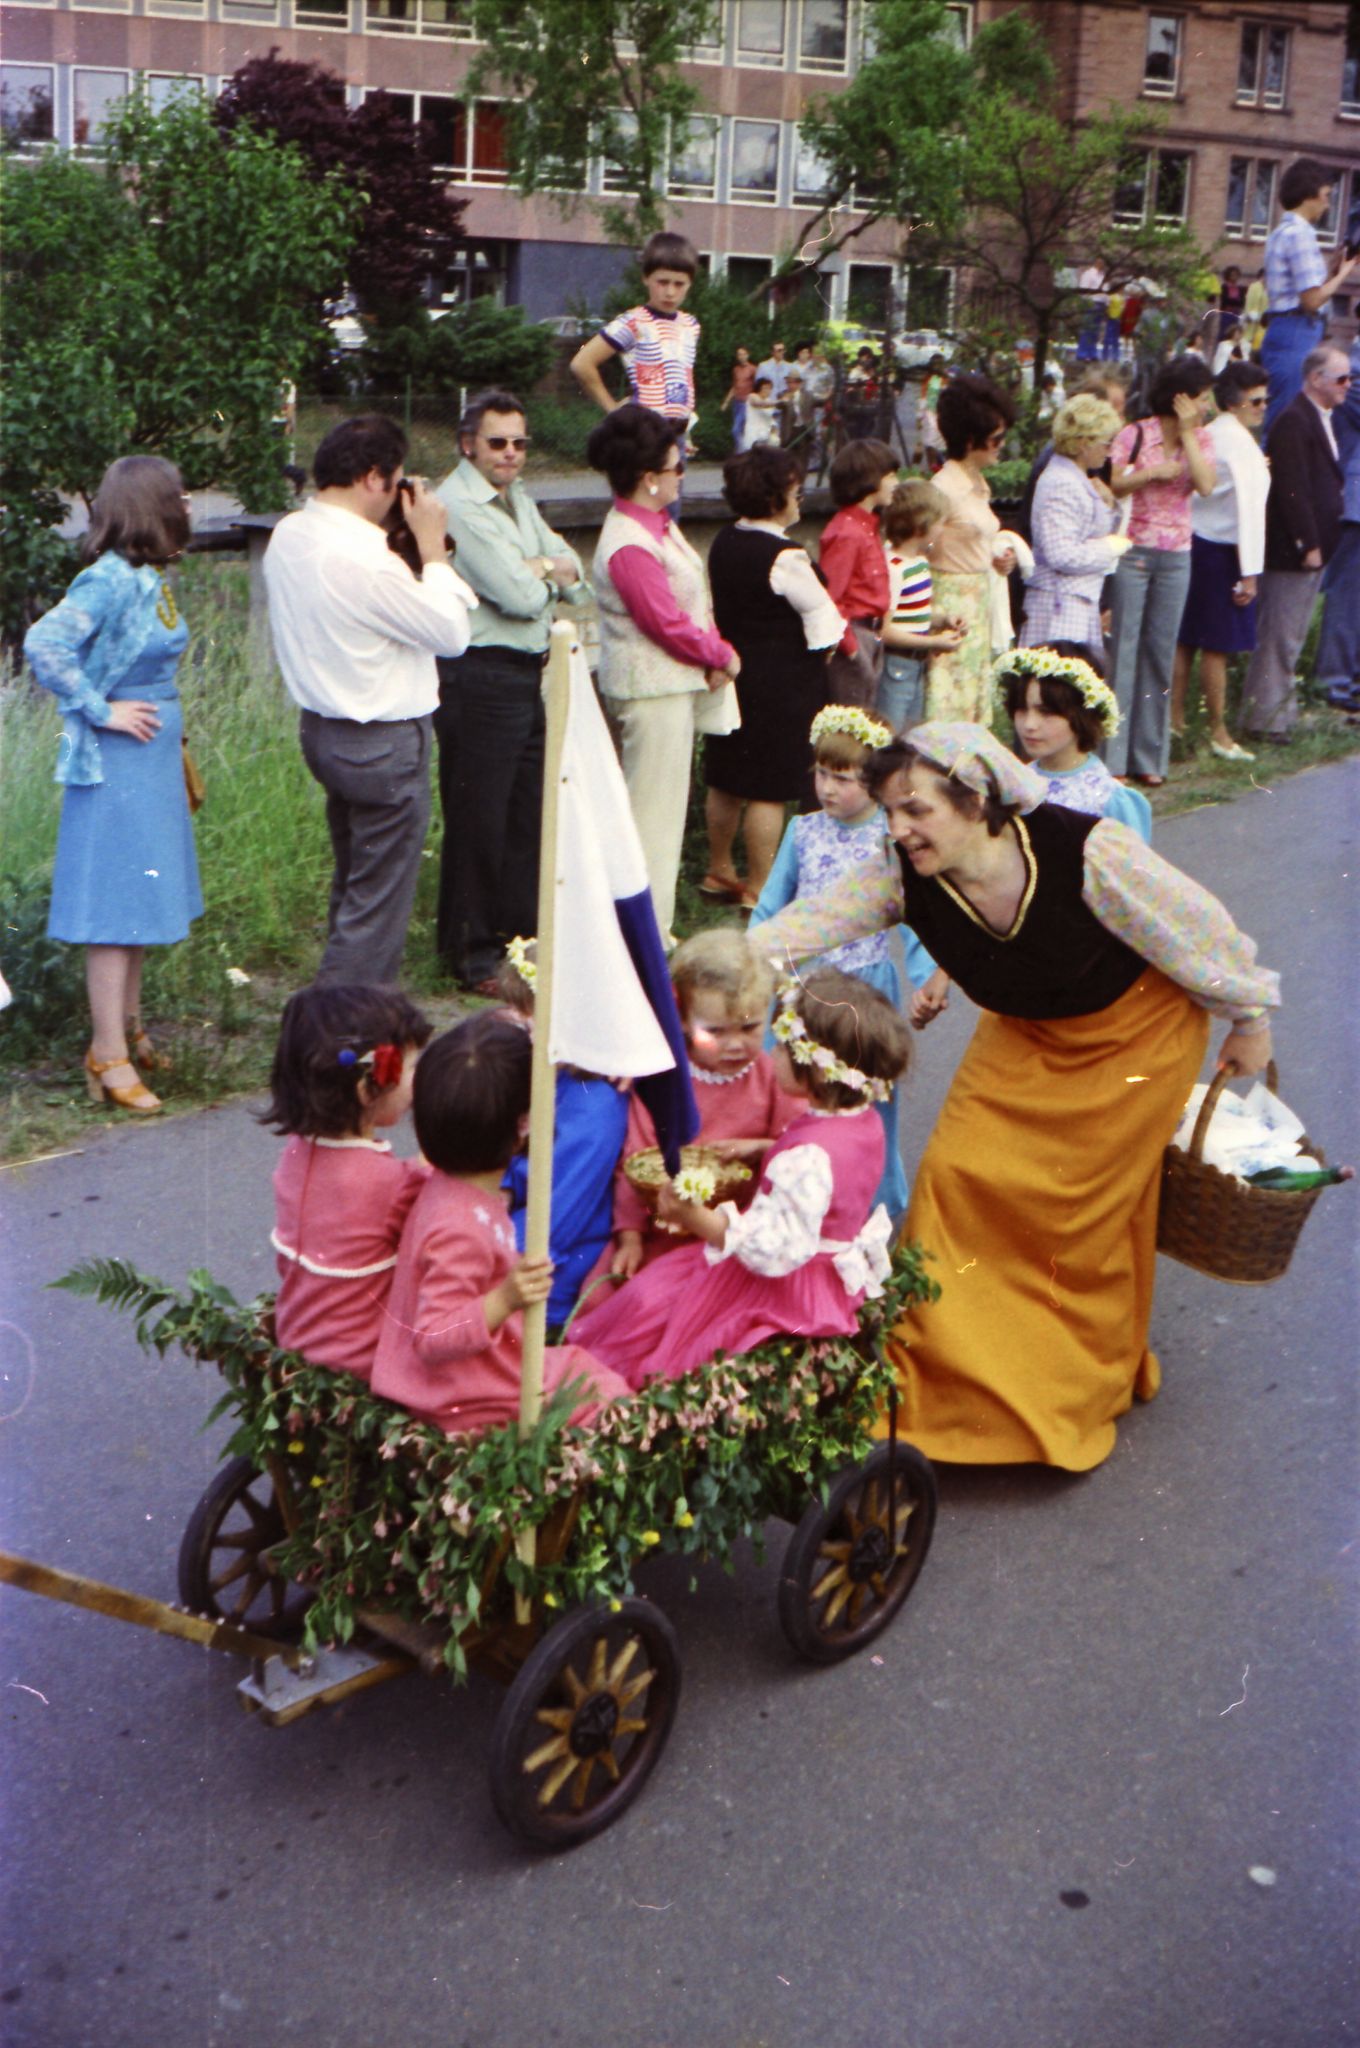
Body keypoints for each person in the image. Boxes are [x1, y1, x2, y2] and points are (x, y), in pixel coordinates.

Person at [749, 721, 1280, 1472]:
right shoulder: (902, 874)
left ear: (978, 801)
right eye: (889, 811)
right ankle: (943, 1381)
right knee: (957, 1177)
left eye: (915, 810)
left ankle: (1059, 1392)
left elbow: (1195, 929)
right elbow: (808, 922)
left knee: (1074, 1217)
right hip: (1029, 1034)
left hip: (1134, 1038)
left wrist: (1250, 1018)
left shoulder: (1087, 851)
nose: (897, 829)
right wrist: (715, 964)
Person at [572, 969, 909, 1388]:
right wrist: (763, 1148)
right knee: (657, 1291)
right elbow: (831, 1180)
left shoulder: (807, 1158)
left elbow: (772, 1251)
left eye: (784, 1048)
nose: (774, 1055)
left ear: (815, 1071)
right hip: (821, 1269)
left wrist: (695, 1218)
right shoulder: (863, 1121)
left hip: (782, 1282)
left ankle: (615, 1387)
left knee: (656, 1305)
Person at [263, 414, 476, 986]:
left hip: (325, 733)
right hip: (381, 742)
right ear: (376, 479)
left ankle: (348, 1014)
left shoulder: (291, 533)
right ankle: (343, 1032)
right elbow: (452, 634)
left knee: (357, 886)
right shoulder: (366, 559)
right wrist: (432, 550)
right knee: (377, 908)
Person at [25, 456, 203, 1114]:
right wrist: (103, 711)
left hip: (149, 755)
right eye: (179, 495)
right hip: (115, 758)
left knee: (140, 901)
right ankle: (107, 1051)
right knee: (114, 908)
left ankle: (129, 1030)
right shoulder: (106, 579)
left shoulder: (146, 575)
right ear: (153, 505)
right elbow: (46, 644)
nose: (188, 502)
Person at [371, 1013, 630, 1437]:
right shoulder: (461, 1226)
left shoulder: (444, 1186)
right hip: (465, 1394)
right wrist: (505, 1299)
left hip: (455, 1375)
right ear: (524, 1125)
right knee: (609, 1396)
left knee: (579, 1364)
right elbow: (434, 1335)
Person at [751, 704, 934, 1226]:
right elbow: (771, 905)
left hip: (863, 987)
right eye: (822, 773)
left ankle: (871, 1204)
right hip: (801, 986)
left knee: (863, 1099)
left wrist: (926, 979)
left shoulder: (889, 836)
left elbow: (913, 917)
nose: (828, 788)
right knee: (792, 1088)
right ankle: (788, 1198)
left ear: (873, 782)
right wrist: (751, 961)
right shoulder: (803, 831)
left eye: (844, 778)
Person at [432, 388, 588, 993]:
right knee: (480, 818)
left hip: (527, 672)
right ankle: (470, 958)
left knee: (526, 815)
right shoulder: (460, 506)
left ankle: (517, 948)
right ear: (468, 444)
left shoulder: (516, 496)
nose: (511, 454)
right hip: (480, 674)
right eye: (497, 442)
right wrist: (545, 569)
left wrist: (541, 567)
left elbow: (574, 570)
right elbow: (522, 595)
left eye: (521, 443)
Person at [587, 405, 738, 941]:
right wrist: (719, 655)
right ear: (649, 479)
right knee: (651, 820)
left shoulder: (653, 527)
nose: (683, 474)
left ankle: (651, 930)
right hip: (649, 695)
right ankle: (644, 937)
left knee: (663, 816)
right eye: (677, 467)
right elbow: (664, 622)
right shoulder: (630, 542)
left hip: (666, 689)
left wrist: (711, 651)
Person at [265, 982, 432, 1378]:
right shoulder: (391, 1181)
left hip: (301, 1343)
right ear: (367, 1087)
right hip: (363, 1361)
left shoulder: (296, 1152)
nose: (419, 1077)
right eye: (410, 1067)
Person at [700, 446, 844, 905]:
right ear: (775, 497)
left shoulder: (724, 541)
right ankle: (760, 886)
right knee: (769, 788)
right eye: (794, 491)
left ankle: (719, 869)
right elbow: (824, 619)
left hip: (735, 675)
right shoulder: (786, 556)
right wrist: (824, 655)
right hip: (783, 683)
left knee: (727, 776)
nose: (799, 498)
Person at [609, 931, 797, 1278]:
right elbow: (633, 1165)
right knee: (615, 1297)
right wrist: (630, 1238)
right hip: (663, 1228)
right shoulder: (664, 1081)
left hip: (736, 1233)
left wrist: (762, 1148)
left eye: (749, 1028)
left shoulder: (774, 1079)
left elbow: (799, 1153)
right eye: (715, 1032)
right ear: (681, 1019)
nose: (735, 1045)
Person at [492, 943, 630, 1336]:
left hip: (550, 1273)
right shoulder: (543, 1069)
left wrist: (483, 1256)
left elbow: (555, 1219)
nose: (517, 1023)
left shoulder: (595, 1106)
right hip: (511, 1227)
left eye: (527, 1014)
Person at [1106, 359, 1217, 784]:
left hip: (1177, 555)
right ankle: (1114, 757)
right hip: (1134, 548)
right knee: (1125, 649)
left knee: (1159, 651)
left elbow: (1205, 486)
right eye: (1202, 396)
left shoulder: (1201, 438)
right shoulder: (1136, 433)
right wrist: (1151, 473)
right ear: (1181, 397)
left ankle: (1149, 758)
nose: (1207, 405)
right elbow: (1114, 483)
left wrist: (1188, 435)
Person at [1239, 345, 1348, 747]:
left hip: (1313, 549)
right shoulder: (1293, 422)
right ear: (1315, 378)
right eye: (1340, 378)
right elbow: (1291, 489)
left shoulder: (1318, 418)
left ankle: (1278, 712)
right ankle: (1265, 719)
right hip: (1293, 552)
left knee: (1292, 635)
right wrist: (1307, 543)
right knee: (1280, 635)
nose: (1347, 385)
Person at [1171, 359, 1272, 761]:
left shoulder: (1211, 434)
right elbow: (1249, 510)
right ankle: (1218, 732)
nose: (1264, 407)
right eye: (1257, 401)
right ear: (1234, 402)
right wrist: (1250, 574)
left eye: (1266, 400)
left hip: (1196, 543)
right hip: (1223, 553)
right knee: (1216, 647)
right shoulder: (1238, 442)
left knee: (1186, 642)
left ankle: (1176, 722)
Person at [923, 373, 1019, 725]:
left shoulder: (978, 483)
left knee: (971, 701)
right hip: (950, 605)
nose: (1000, 445)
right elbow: (921, 549)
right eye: (995, 438)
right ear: (969, 438)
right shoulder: (944, 488)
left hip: (978, 600)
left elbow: (970, 536)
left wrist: (994, 560)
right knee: (948, 700)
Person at [1020, 392, 1129, 671]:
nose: (1110, 452)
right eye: (1106, 444)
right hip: (1059, 608)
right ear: (1083, 443)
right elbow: (1061, 554)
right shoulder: (1061, 483)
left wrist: (1110, 506)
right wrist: (1110, 547)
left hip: (1075, 603)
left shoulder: (1077, 478)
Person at [1000, 645, 1151, 838]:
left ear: (1081, 714)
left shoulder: (1108, 799)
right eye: (1021, 709)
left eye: (1046, 712)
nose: (1029, 724)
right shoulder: (1013, 785)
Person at [570, 230, 701, 438]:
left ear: (690, 284)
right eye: (662, 282)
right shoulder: (633, 322)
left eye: (679, 284)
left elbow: (682, 382)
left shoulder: (690, 325)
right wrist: (612, 410)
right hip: (644, 432)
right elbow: (582, 362)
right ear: (646, 278)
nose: (670, 292)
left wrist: (687, 433)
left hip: (678, 434)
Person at [1261, 160, 1358, 432]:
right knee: (1285, 421)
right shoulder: (1301, 235)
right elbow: (1312, 300)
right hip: (1296, 330)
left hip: (1288, 329)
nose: (1328, 204)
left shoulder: (1284, 232)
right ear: (1310, 195)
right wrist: (1344, 273)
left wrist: (1334, 267)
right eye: (1326, 196)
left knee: (1289, 417)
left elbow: (1307, 288)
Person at [879, 480, 965, 734]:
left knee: (911, 735)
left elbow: (912, 614)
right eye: (939, 522)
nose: (942, 529)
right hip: (896, 666)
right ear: (921, 525)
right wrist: (933, 643)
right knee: (889, 736)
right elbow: (886, 630)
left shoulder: (918, 561)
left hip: (917, 665)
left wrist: (942, 620)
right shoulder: (894, 567)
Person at [818, 437, 899, 706]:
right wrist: (852, 650)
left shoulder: (867, 526)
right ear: (869, 479)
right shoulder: (847, 532)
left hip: (871, 635)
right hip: (854, 636)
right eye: (890, 475)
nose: (896, 483)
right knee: (853, 723)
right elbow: (831, 598)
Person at [1314, 334, 1360, 712]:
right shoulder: (1353, 373)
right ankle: (1335, 682)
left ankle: (1350, 679)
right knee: (1347, 598)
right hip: (1354, 505)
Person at [720, 345, 757, 448]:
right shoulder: (736, 369)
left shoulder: (753, 369)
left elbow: (757, 386)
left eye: (744, 354)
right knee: (739, 430)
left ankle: (743, 452)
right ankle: (740, 452)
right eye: (739, 354)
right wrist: (726, 402)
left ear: (748, 355)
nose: (741, 356)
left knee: (736, 430)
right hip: (737, 402)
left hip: (746, 403)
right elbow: (734, 387)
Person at [739, 375, 782, 450]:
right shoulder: (752, 396)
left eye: (770, 388)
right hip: (753, 433)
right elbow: (759, 403)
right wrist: (777, 403)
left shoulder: (769, 400)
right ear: (759, 388)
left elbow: (771, 419)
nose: (768, 390)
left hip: (765, 435)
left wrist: (775, 432)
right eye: (765, 388)